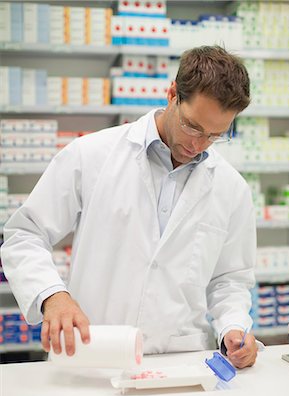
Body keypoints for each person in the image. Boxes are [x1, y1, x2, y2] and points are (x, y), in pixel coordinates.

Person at [1, 46, 259, 368]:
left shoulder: (231, 188)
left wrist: (233, 327)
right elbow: (24, 234)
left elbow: (230, 279)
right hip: (94, 354)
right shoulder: (92, 154)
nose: (198, 145)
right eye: (193, 126)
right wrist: (53, 296)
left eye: (214, 135)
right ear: (172, 94)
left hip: (180, 364)